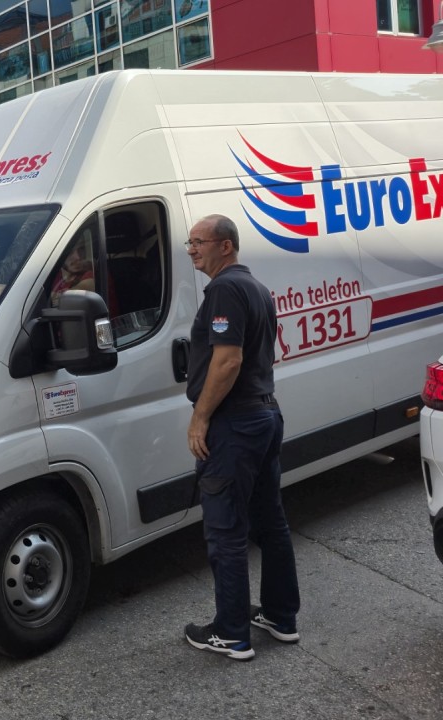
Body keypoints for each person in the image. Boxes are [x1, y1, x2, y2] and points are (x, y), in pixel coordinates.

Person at [183, 214, 299, 662]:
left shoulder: (225, 289)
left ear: (226, 246)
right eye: (189, 242)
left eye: (199, 242)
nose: (191, 249)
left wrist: (200, 417)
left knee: (226, 531)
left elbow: (227, 361)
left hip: (236, 424)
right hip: (265, 415)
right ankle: (281, 617)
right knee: (271, 522)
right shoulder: (256, 287)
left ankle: (231, 633)